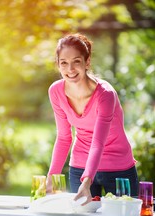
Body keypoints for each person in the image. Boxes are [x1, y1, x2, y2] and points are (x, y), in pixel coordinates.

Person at [46, 33, 138, 205]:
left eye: (76, 61)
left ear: (87, 62)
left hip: (118, 168)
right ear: (58, 65)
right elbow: (64, 138)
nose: (70, 69)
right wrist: (51, 177)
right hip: (80, 166)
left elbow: (98, 142)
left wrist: (87, 181)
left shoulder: (105, 94)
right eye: (64, 63)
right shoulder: (56, 92)